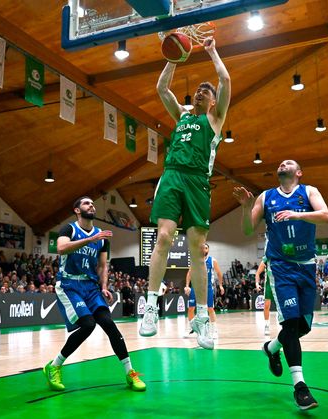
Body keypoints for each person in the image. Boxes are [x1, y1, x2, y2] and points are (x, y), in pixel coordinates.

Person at [138, 36, 231, 351]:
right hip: (173, 176)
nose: (203, 91)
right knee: (163, 237)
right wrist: (173, 60)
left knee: (197, 248)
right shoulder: (182, 116)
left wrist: (212, 50)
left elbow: (225, 78)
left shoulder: (214, 120)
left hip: (197, 181)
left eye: (208, 91)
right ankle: (151, 306)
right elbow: (162, 89)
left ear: (214, 101)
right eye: (200, 89)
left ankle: (202, 317)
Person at [233, 159, 328, 410]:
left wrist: (297, 214)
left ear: (298, 172)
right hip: (281, 267)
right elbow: (246, 229)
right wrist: (245, 207)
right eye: (280, 163)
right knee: (290, 323)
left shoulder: (309, 191)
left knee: (302, 327)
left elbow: (326, 216)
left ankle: (271, 347)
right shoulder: (265, 197)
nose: (282, 164)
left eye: (289, 163)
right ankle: (300, 386)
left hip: (307, 265)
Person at [43, 197, 145, 392]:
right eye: (86, 204)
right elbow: (61, 248)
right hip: (69, 284)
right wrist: (90, 240)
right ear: (77, 210)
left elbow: (102, 265)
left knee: (109, 324)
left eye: (93, 204)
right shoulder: (69, 229)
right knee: (88, 325)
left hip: (91, 287)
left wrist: (104, 286)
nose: (92, 205)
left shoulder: (101, 237)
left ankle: (130, 373)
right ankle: (54, 365)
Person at [184, 243, 224, 338]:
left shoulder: (212, 261)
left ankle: (214, 330)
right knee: (191, 309)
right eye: (202, 248)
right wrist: (187, 285)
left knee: (210, 308)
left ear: (208, 250)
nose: (204, 250)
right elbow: (189, 273)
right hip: (195, 287)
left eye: (206, 248)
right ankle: (192, 329)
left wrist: (221, 285)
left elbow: (219, 273)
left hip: (208, 288)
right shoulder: (195, 260)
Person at [255, 257, 273, 335]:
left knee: (283, 307)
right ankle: (266, 325)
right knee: (266, 305)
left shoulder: (282, 255)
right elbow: (258, 273)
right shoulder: (267, 258)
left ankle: (284, 325)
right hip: (269, 284)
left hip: (280, 284)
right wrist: (257, 284)